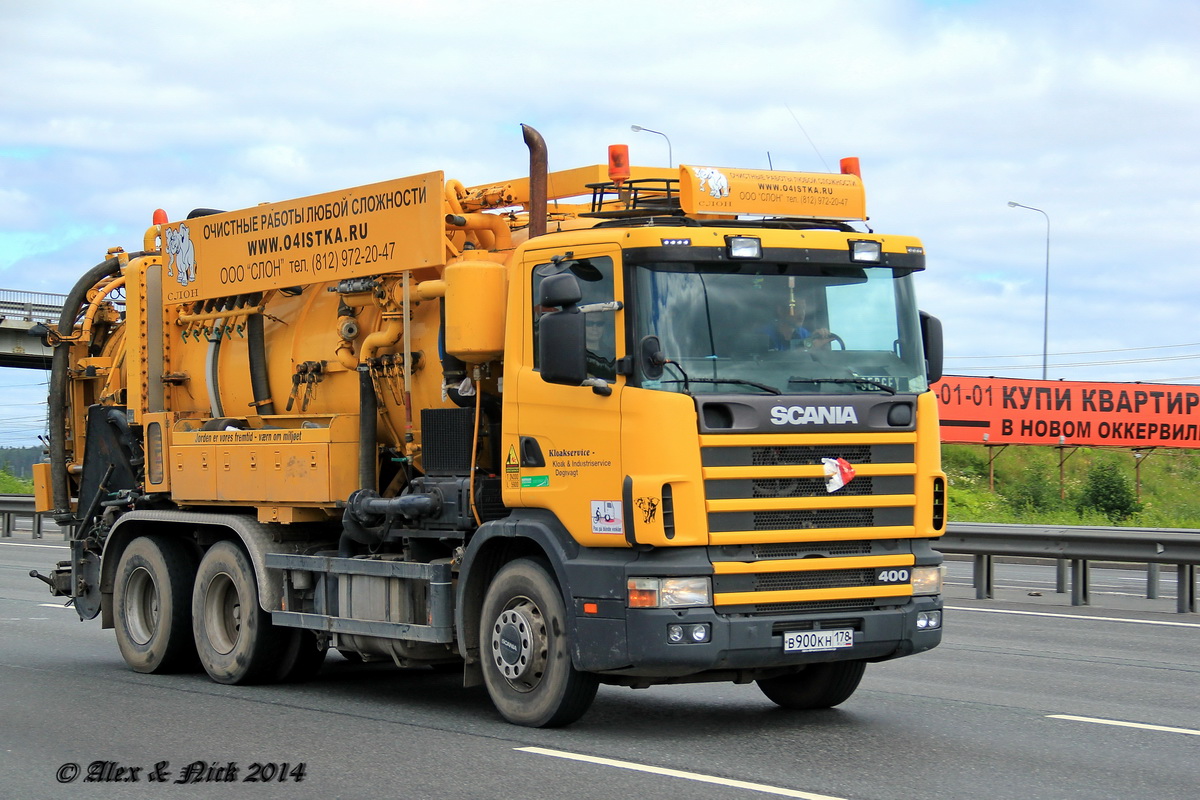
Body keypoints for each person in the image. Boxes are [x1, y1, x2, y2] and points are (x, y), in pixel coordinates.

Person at [763, 296, 834, 350]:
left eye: (803, 308)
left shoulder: (805, 335)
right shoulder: (763, 335)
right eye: (796, 308)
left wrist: (820, 343)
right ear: (780, 310)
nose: (802, 313)